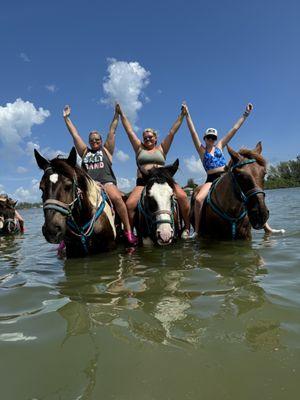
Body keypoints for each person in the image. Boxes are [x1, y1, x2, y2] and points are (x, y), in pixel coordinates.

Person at [184, 103, 280, 236]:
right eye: (209, 137)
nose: (211, 139)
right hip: (211, 180)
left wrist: (245, 114)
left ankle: (266, 227)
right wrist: (187, 115)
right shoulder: (201, 150)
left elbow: (234, 129)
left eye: (213, 137)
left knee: (249, 193)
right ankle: (198, 231)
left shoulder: (220, 146)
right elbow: (193, 132)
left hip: (226, 175)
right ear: (205, 138)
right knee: (199, 199)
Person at [63, 104, 138, 245]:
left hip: (107, 183)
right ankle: (65, 239)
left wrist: (117, 115)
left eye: (97, 140)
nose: (94, 142)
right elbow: (75, 134)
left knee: (117, 198)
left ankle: (128, 232)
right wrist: (67, 118)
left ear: (101, 141)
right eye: (92, 140)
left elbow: (112, 131)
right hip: (89, 184)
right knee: (70, 202)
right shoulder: (85, 152)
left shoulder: (106, 150)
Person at [116, 103, 191, 238]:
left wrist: (182, 116)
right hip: (143, 181)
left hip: (163, 181)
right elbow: (129, 131)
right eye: (145, 138)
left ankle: (186, 227)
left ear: (155, 138)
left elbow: (172, 132)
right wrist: (121, 114)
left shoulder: (162, 148)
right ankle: (131, 234)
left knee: (183, 196)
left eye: (150, 137)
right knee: (130, 204)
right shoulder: (139, 148)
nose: (148, 139)